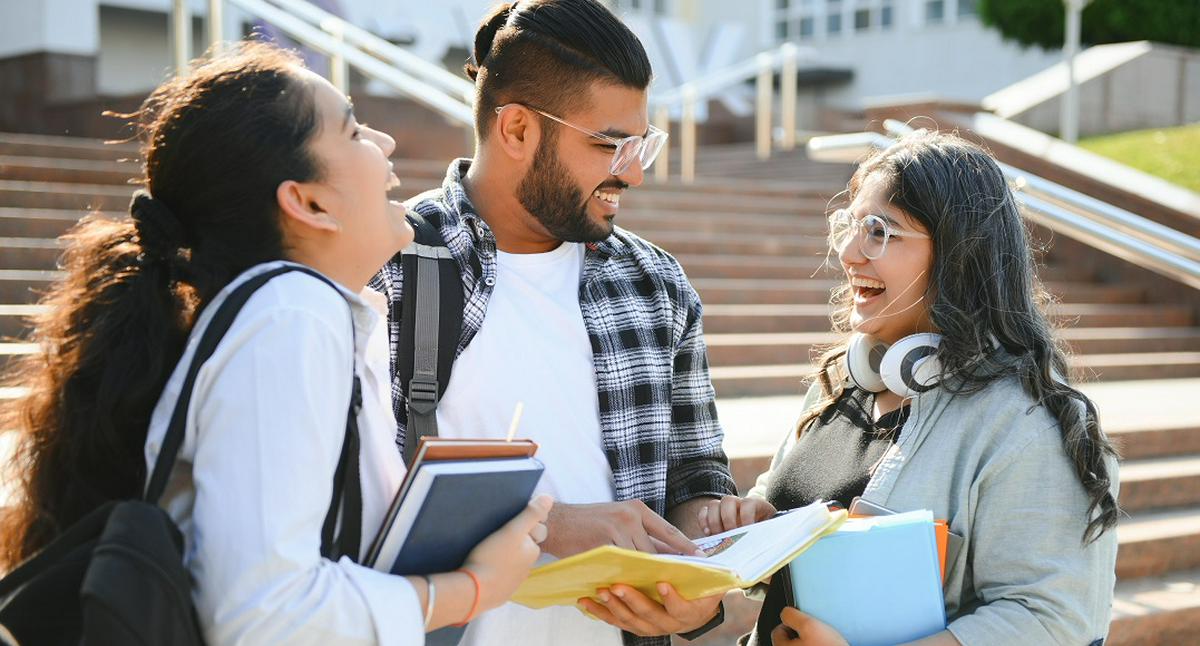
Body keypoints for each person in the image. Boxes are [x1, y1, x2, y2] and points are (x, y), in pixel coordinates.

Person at [0, 41, 550, 644]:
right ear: (308, 202)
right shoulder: (292, 314)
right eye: (354, 132)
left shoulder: (307, 315)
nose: (386, 144)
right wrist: (471, 590)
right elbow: (263, 612)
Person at [369, 1, 737, 644]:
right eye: (609, 144)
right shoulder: (389, 265)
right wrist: (548, 522)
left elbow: (694, 471)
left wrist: (715, 531)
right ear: (516, 130)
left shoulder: (656, 284)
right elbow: (355, 495)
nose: (635, 171)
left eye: (642, 142)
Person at [698, 131, 1121, 645]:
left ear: (959, 255)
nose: (849, 253)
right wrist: (759, 521)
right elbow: (790, 524)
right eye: (849, 226)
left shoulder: (1028, 424)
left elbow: (1053, 619)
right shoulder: (841, 385)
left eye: (879, 231)